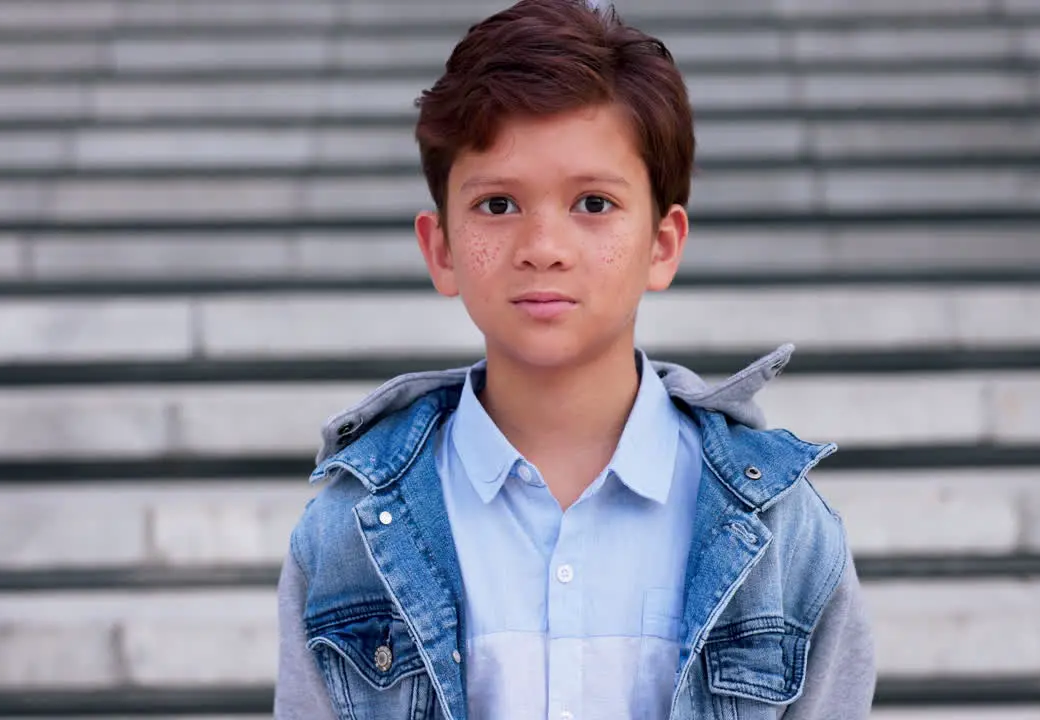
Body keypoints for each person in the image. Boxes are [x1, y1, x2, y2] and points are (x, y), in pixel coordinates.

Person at [275, 1, 876, 717]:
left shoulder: (783, 532)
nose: (544, 246)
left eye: (593, 203)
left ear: (663, 244)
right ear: (440, 249)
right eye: (498, 205)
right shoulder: (350, 535)